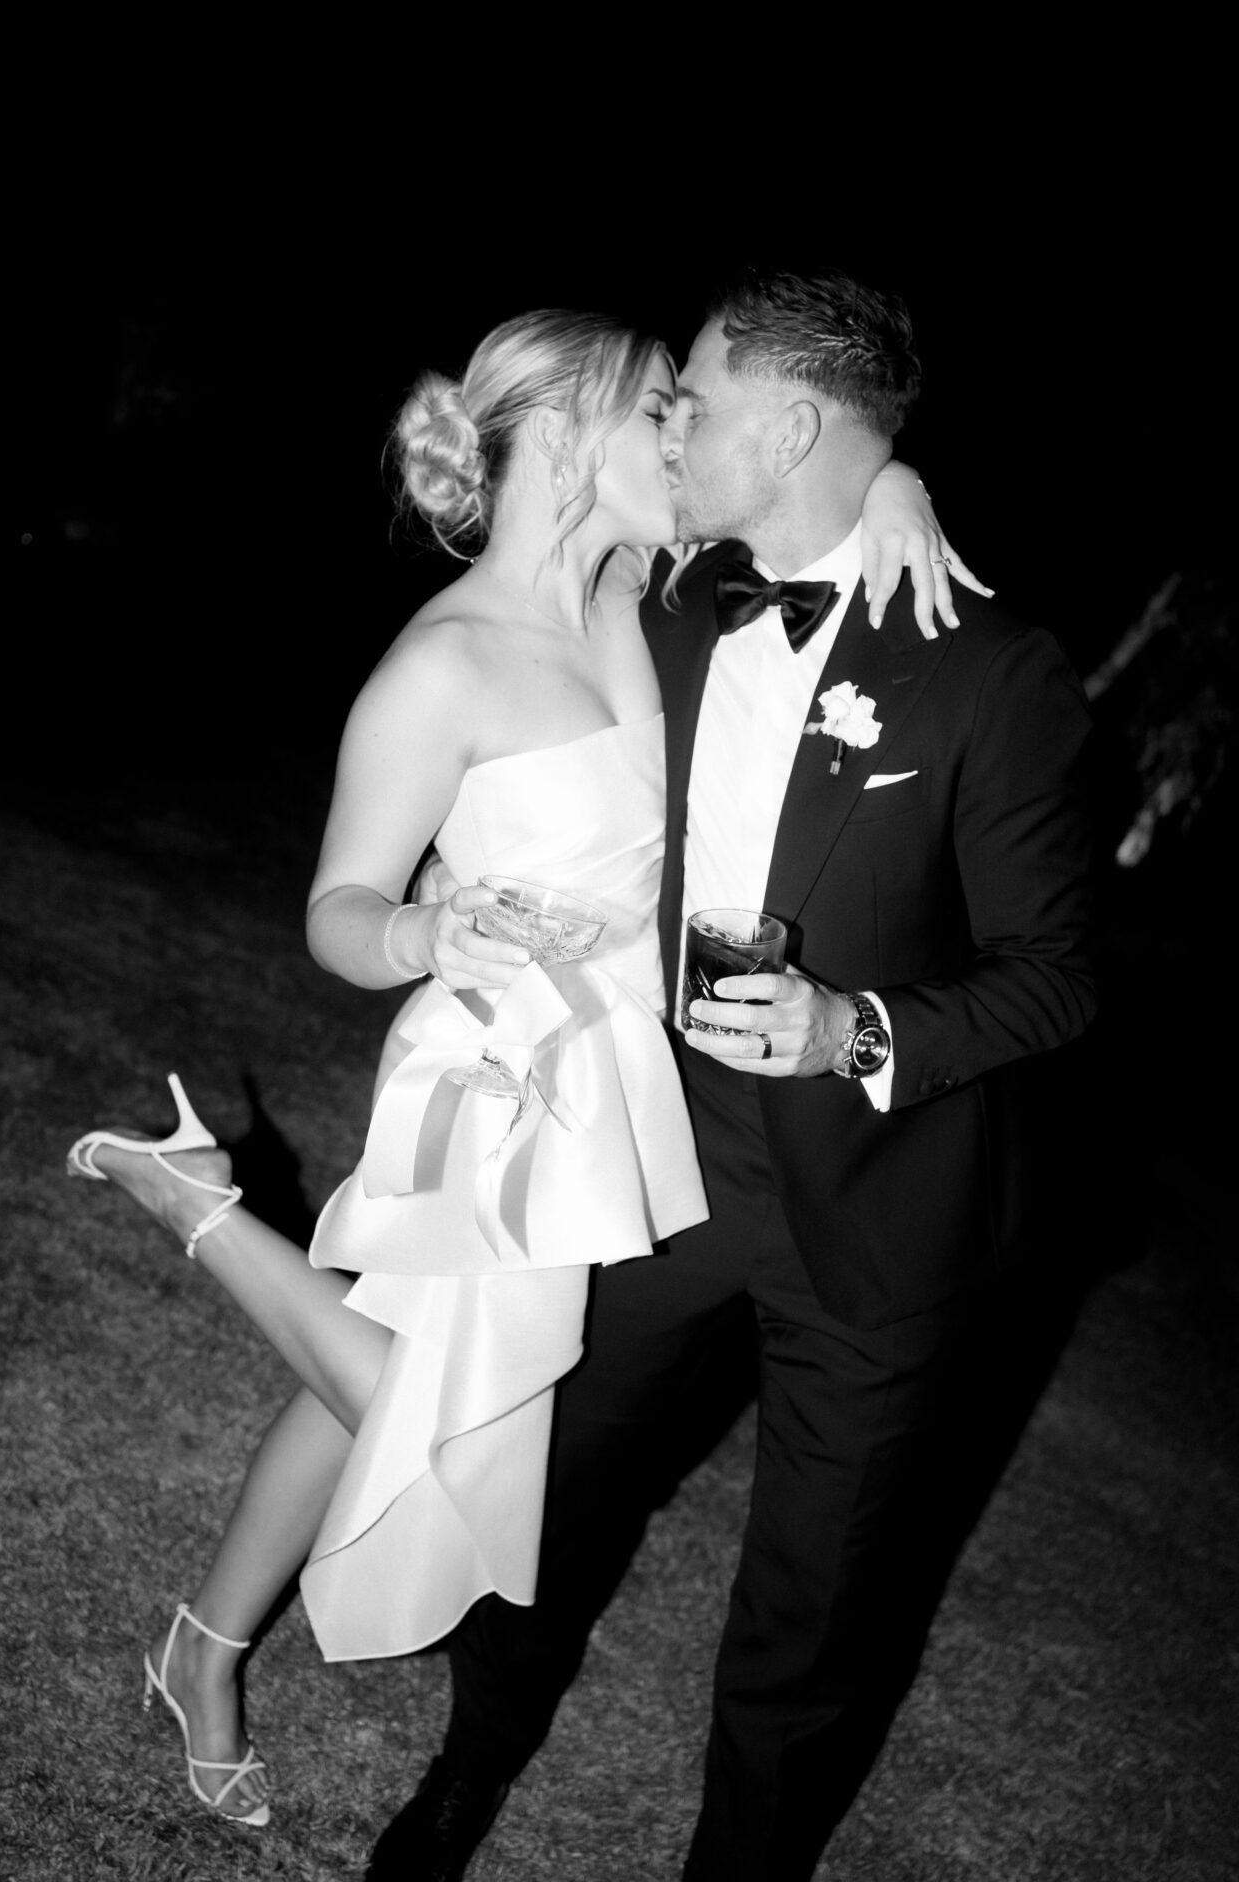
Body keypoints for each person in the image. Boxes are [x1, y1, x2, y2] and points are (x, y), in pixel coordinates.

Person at [65, 303, 968, 1839]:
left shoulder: (646, 588)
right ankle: (198, 1209)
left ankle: (198, 1650)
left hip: (616, 1073)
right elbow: (336, 912)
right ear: (563, 437)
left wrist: (892, 485)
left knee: (375, 1384)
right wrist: (427, 928)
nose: (686, 439)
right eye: (659, 413)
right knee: (425, 1396)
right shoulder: (442, 667)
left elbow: (802, 484)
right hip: (493, 1078)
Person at [372, 270, 1097, 1882]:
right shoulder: (676, 591)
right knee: (555, 1500)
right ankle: (464, 1781)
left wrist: (856, 1031)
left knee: (808, 1616)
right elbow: (537, 519)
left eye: (692, 404)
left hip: (884, 1220)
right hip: (666, 1156)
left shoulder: (992, 673)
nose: (670, 429)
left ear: (785, 431)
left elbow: (1058, 976)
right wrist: (889, 474)